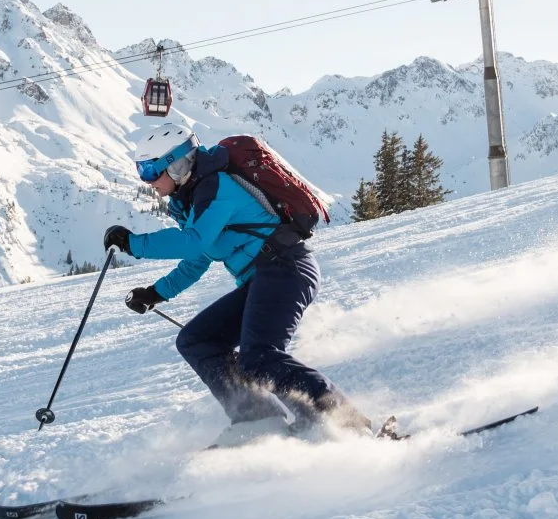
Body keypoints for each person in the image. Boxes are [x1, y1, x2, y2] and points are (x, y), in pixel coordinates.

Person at [102, 123, 373, 443]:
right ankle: (257, 419)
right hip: (261, 279)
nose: (146, 180)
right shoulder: (191, 198)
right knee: (196, 340)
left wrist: (135, 244)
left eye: (149, 170)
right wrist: (156, 293)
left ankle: (345, 424)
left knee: (259, 355)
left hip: (286, 269)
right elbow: (198, 258)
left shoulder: (218, 186)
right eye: (140, 171)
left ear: (176, 164)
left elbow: (194, 242)